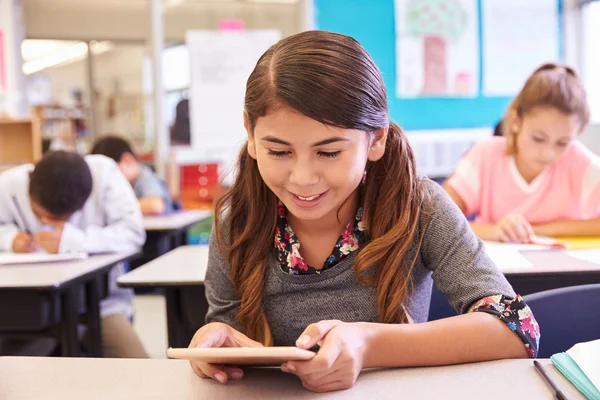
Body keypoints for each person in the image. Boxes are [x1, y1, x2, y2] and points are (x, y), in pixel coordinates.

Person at [187, 30, 540, 393]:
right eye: (279, 152)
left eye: (328, 153)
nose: (303, 179)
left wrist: (368, 344)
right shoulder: (238, 222)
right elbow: (230, 332)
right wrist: (215, 340)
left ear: (376, 139)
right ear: (250, 131)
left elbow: (516, 328)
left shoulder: (419, 208)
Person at [0, 151, 148, 358]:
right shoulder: (8, 184)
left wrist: (70, 240)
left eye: (58, 219)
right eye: (40, 215)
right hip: (30, 308)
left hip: (99, 305)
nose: (46, 224)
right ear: (29, 178)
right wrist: (10, 238)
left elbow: (133, 233)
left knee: (139, 369)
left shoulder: (104, 175)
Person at [444, 63, 598, 243]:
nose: (548, 153)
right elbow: (439, 220)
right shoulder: (486, 156)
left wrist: (541, 230)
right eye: (538, 138)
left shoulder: (579, 162)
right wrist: (493, 231)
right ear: (516, 120)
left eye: (562, 143)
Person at [91, 136, 173, 215]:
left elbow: (155, 205)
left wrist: (113, 208)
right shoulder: (126, 185)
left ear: (127, 160)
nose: (108, 179)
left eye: (111, 172)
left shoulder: (146, 178)